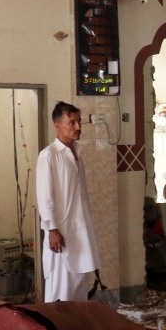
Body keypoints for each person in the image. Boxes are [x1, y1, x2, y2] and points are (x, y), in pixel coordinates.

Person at [37, 102, 101, 302]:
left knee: (79, 287)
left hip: (80, 230)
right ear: (57, 125)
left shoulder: (77, 154)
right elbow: (45, 195)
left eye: (78, 121)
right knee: (60, 290)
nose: (78, 127)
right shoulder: (49, 155)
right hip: (60, 234)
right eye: (71, 122)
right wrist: (52, 229)